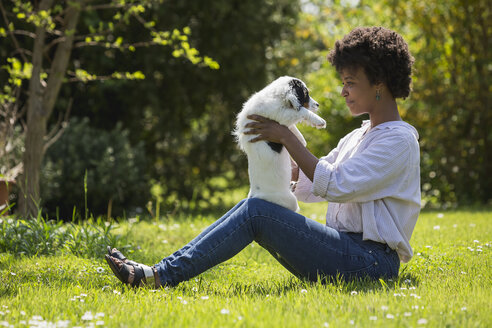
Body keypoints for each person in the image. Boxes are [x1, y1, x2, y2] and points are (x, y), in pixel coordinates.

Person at [105, 26, 420, 288]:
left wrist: (285, 135)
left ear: (379, 83)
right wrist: (276, 162)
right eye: (343, 83)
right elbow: (314, 184)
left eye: (350, 83)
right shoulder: (358, 135)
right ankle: (160, 271)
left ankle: (160, 276)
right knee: (254, 205)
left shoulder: (399, 140)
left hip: (371, 264)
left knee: (256, 211)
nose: (343, 92)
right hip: (343, 250)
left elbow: (335, 184)